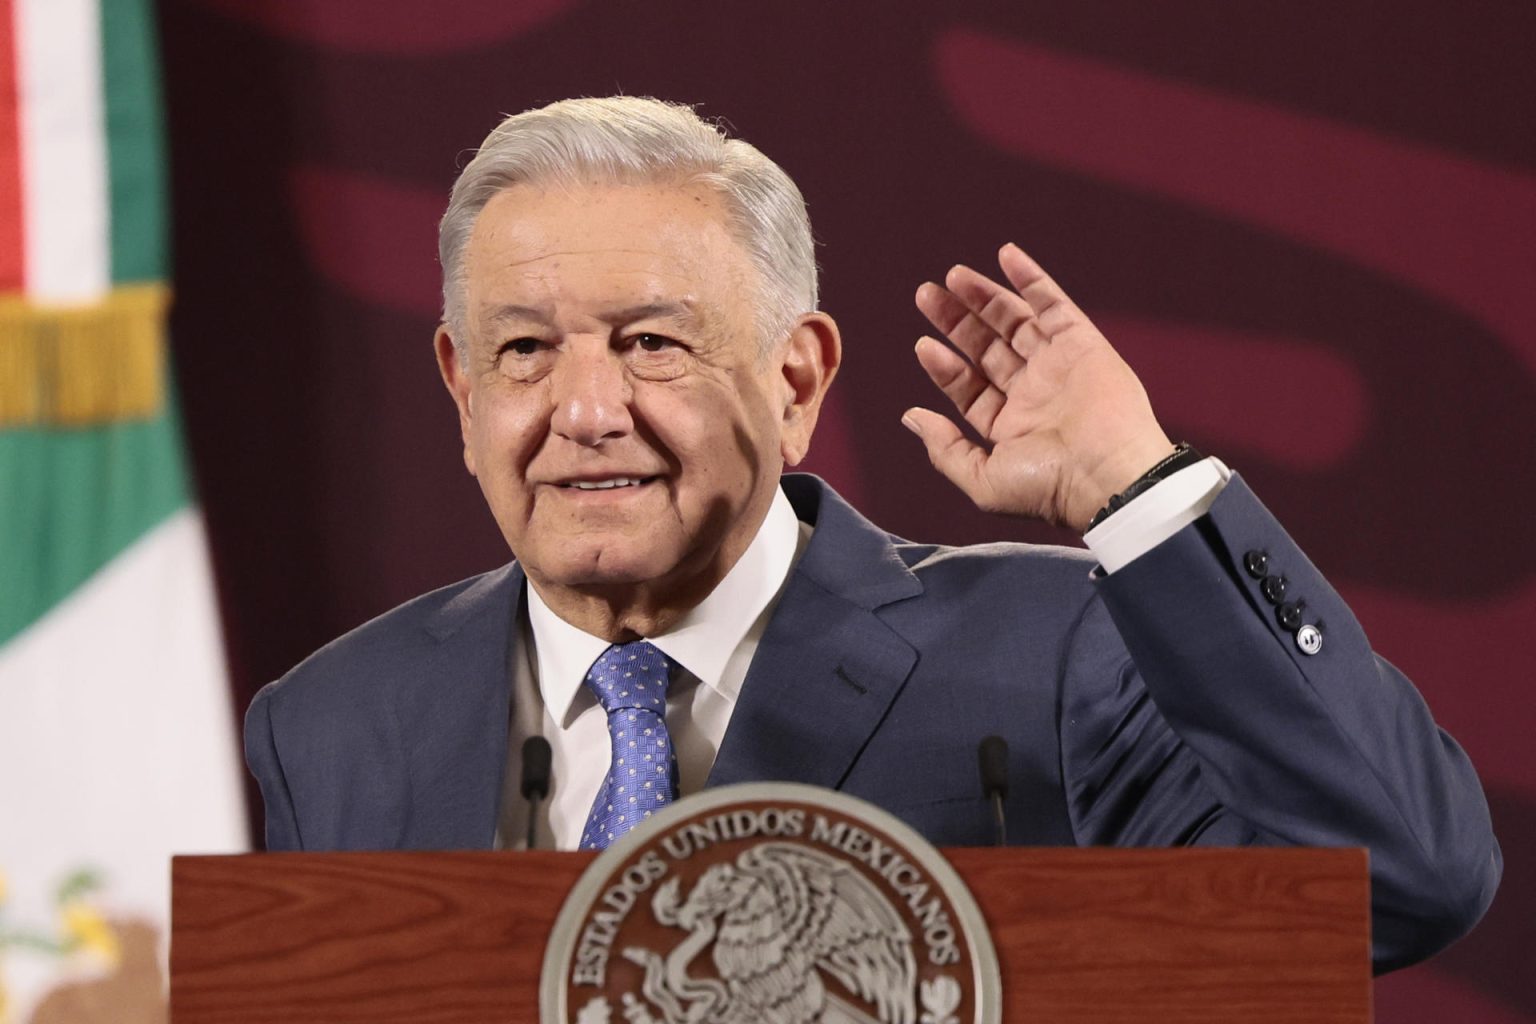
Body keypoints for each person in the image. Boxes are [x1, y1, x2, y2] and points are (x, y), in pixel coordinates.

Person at [244, 96, 1499, 971]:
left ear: (795, 383)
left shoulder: (1056, 656)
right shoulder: (335, 725)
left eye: (652, 343)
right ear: (463, 391)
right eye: (526, 351)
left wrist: (1138, 483)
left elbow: (1396, 884)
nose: (584, 410)